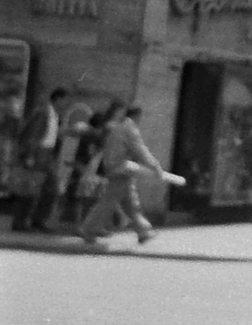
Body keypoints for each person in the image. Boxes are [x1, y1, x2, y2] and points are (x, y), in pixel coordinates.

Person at [79, 104, 164, 245]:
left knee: (130, 203)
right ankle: (88, 229)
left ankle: (144, 231)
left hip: (117, 168)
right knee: (108, 202)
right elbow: (140, 150)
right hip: (121, 169)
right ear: (137, 115)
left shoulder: (118, 127)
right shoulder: (130, 129)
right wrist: (155, 166)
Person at [12, 85, 69, 232]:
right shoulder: (43, 112)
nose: (67, 104)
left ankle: (39, 220)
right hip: (38, 154)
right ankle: (20, 222)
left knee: (51, 188)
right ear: (58, 99)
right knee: (29, 189)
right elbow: (33, 135)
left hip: (48, 155)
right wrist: (30, 155)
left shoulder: (55, 115)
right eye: (65, 100)